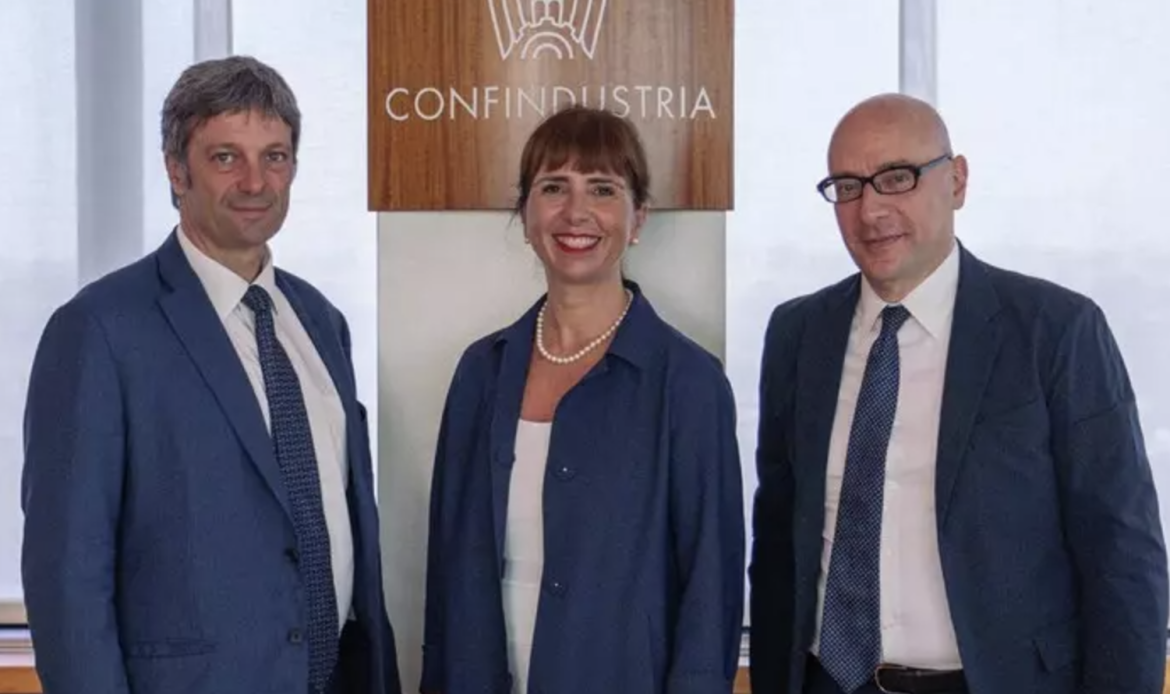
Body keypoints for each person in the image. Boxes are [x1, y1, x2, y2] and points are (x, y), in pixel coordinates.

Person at [749, 93, 1168, 694]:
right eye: (847, 187)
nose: (871, 209)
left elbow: (1121, 554)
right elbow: (777, 544)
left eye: (897, 177)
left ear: (957, 181)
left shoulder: (1056, 331)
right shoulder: (798, 334)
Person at [21, 56, 400, 694]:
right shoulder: (100, 331)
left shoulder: (320, 321)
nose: (255, 181)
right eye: (226, 157)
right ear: (177, 170)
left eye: (274, 157)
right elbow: (66, 578)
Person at [420, 105, 745, 694]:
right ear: (525, 214)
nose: (576, 212)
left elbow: (710, 593)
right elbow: (446, 574)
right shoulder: (480, 373)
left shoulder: (689, 384)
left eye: (602, 188)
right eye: (553, 187)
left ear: (638, 216)